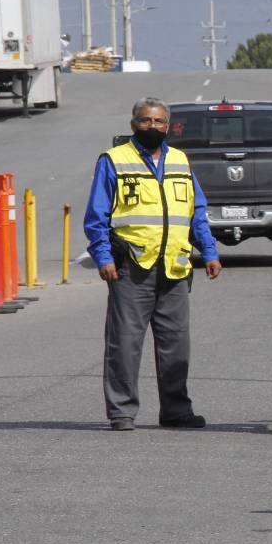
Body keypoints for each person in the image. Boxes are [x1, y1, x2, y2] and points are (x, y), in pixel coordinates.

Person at [84, 97, 223, 431]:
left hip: (175, 267)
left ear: (168, 126)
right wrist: (103, 257)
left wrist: (210, 250)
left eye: (159, 121)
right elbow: (96, 216)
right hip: (132, 266)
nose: (152, 127)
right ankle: (122, 412)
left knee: (176, 345)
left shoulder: (180, 160)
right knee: (125, 344)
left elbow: (196, 211)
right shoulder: (114, 160)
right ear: (133, 124)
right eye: (145, 121)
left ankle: (176, 410)